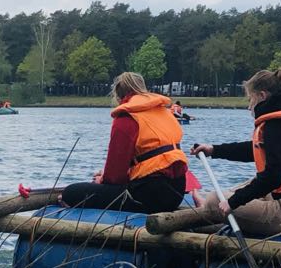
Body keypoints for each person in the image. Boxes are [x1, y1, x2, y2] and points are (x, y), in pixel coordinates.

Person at [162, 65, 281, 237]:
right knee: (235, 190)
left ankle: (210, 206)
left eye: (250, 99)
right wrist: (214, 150)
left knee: (217, 201)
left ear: (262, 96)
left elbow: (273, 177)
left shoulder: (277, 125)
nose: (249, 106)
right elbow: (256, 150)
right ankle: (208, 203)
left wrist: (233, 202)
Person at [59, 72, 188, 214]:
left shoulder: (127, 116)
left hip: (149, 196)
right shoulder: (164, 112)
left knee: (70, 193)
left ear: (119, 94)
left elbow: (114, 177)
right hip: (177, 191)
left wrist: (101, 179)